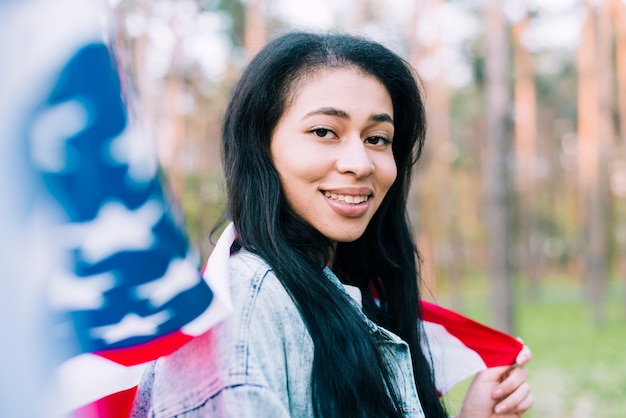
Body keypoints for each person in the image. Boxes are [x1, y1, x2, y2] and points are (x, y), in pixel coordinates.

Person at [131, 31, 533, 418]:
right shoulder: (248, 308)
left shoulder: (344, 295)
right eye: (324, 132)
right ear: (261, 147)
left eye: (378, 138)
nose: (359, 163)